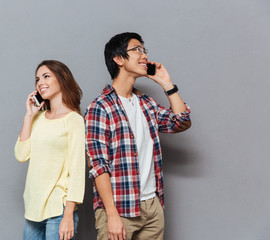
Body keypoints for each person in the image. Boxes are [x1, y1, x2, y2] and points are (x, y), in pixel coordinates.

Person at [85, 32, 191, 240]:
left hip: (152, 206)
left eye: (145, 50)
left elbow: (181, 122)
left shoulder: (146, 104)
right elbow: (99, 166)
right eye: (137, 50)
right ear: (119, 59)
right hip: (119, 208)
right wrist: (112, 215)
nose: (144, 56)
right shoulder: (100, 107)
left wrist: (166, 84)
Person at [14, 60, 85, 240]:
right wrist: (29, 115)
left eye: (46, 76)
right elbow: (21, 155)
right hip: (33, 209)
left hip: (58, 209)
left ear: (61, 80)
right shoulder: (37, 119)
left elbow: (77, 171)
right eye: (37, 79)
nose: (40, 82)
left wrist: (68, 214)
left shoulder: (73, 120)